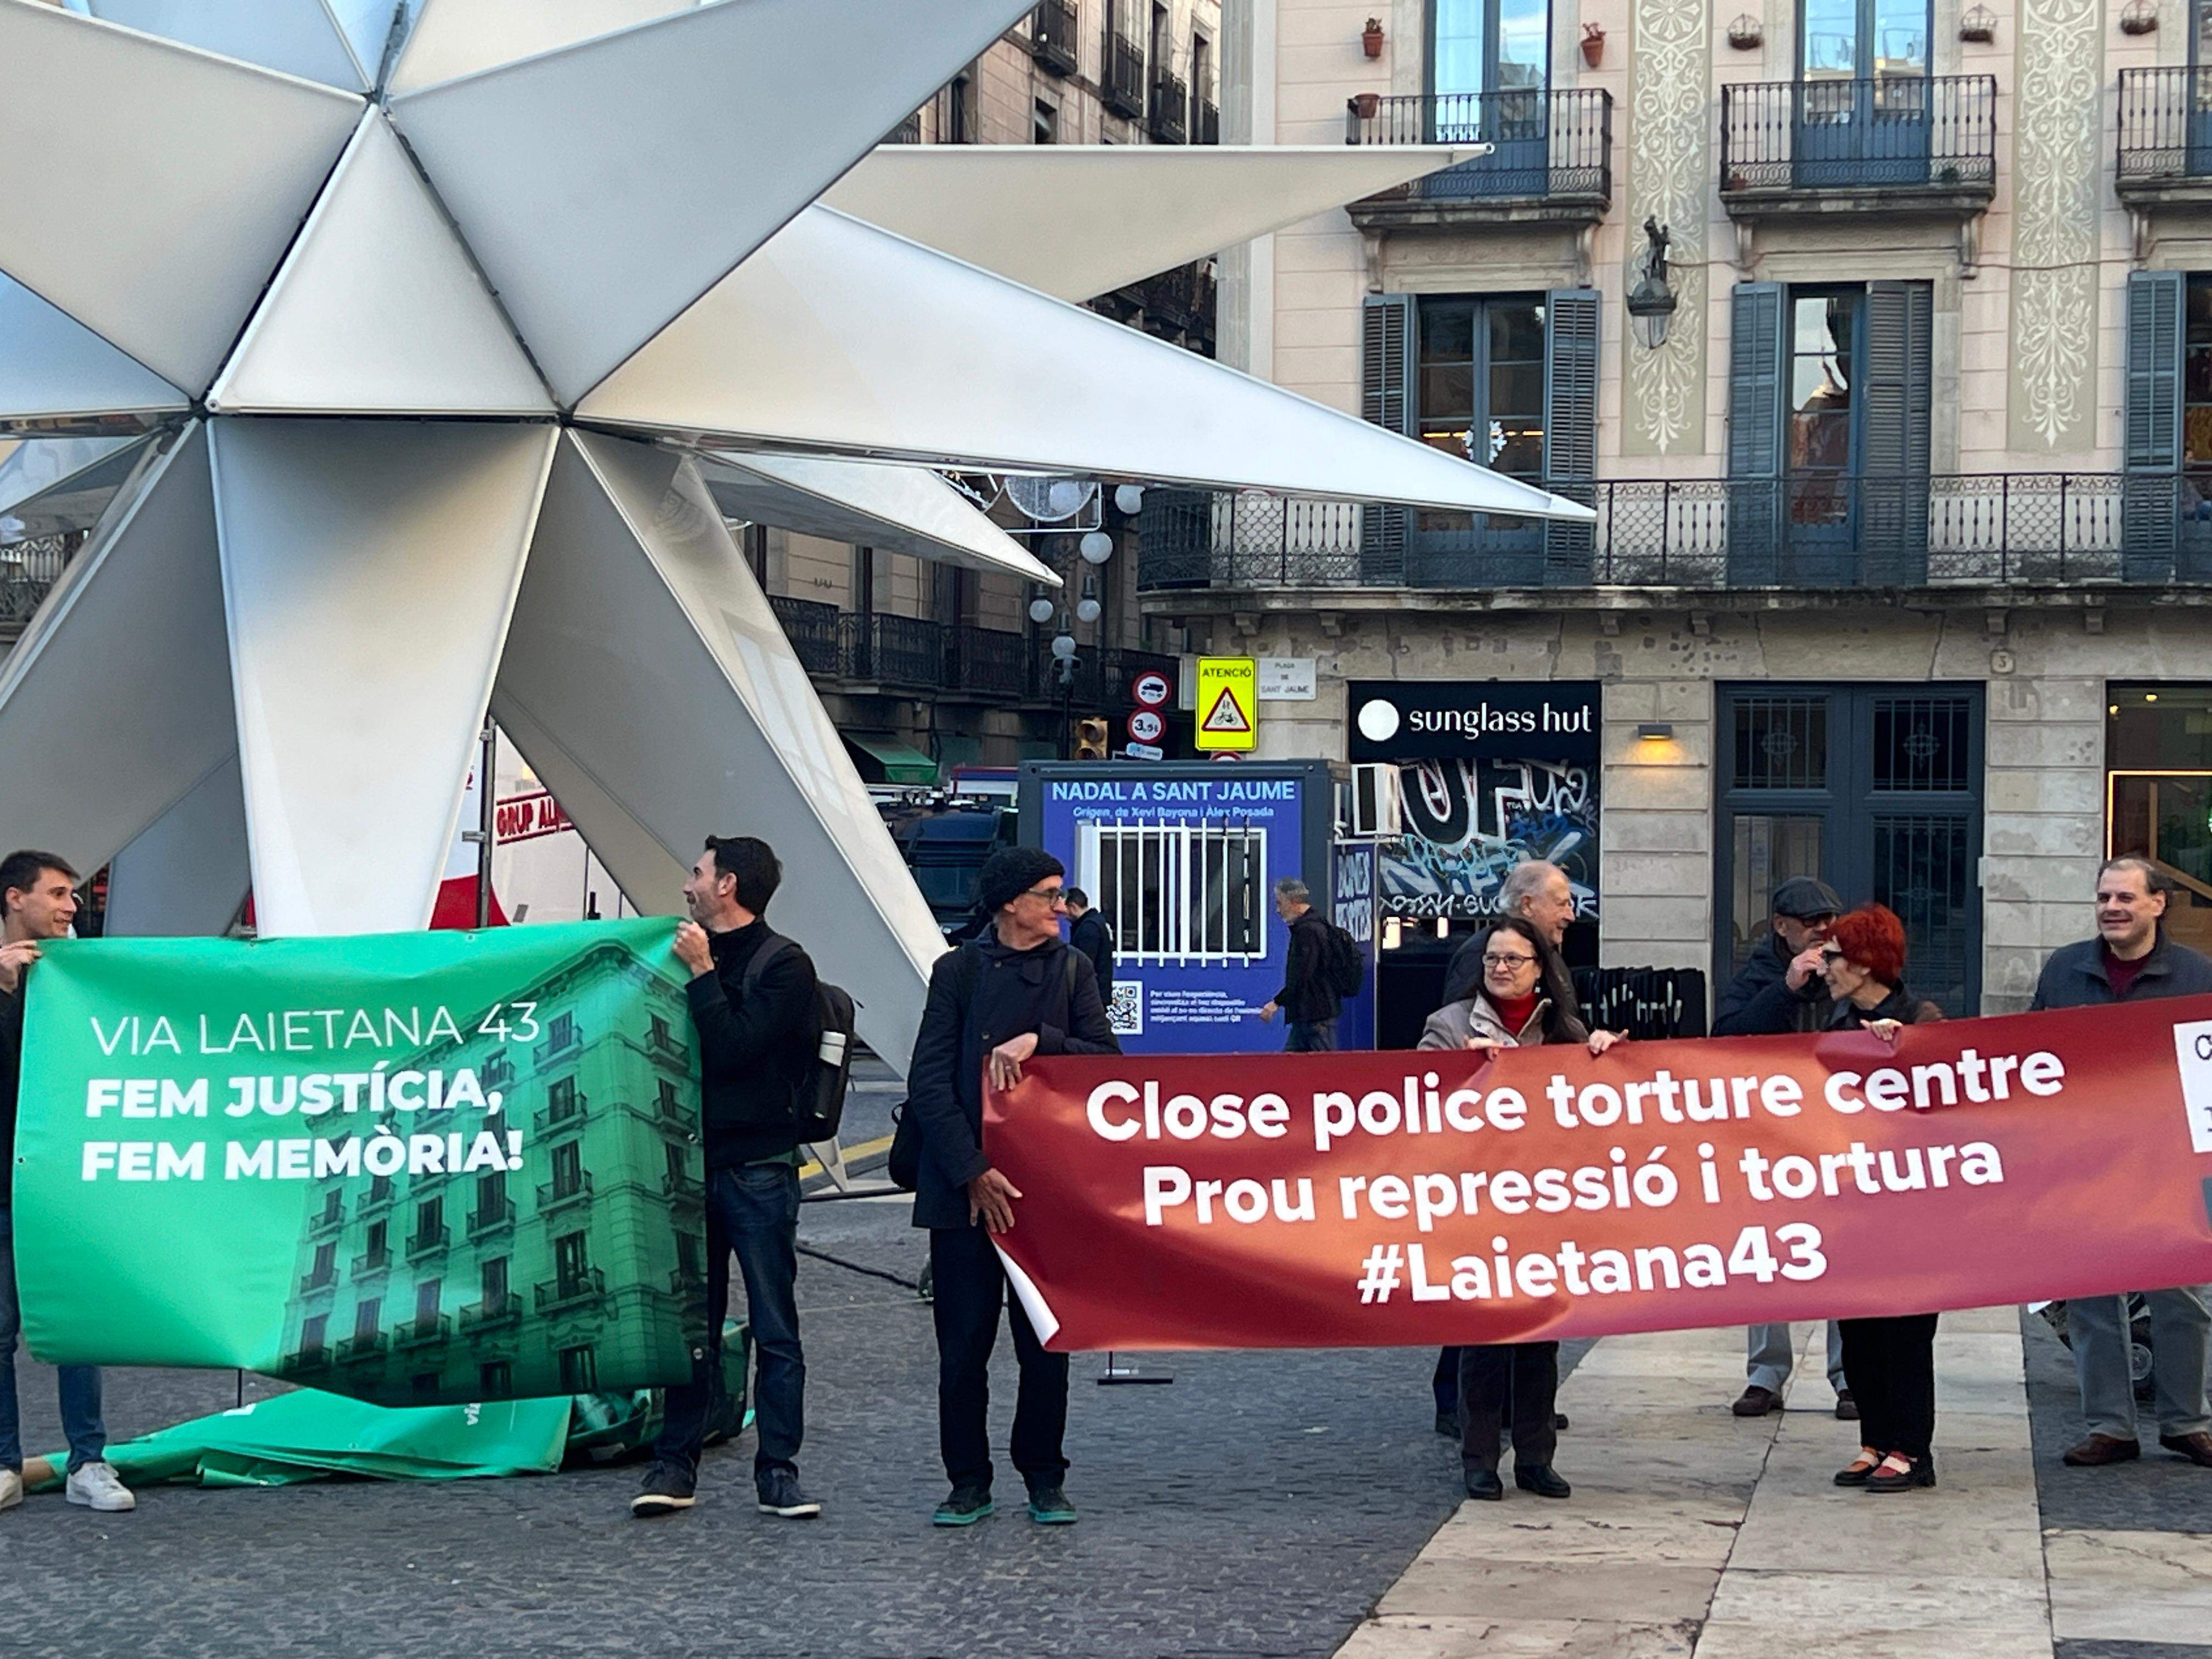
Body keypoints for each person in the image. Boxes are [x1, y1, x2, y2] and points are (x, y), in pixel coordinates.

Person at [907, 847, 1120, 1527]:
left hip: (1042, 1191)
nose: (1061, 906)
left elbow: (1107, 1061)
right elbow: (929, 1081)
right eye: (1049, 895)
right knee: (963, 1348)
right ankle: (966, 1481)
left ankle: (1044, 1476)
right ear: (1009, 904)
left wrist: (1041, 1040)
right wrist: (971, 1170)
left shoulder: (1073, 967)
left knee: (1045, 1345)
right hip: (964, 1186)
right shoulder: (958, 971)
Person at [634, 837, 823, 1521]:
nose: (688, 884)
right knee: (690, 1325)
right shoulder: (682, 955)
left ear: (729, 885)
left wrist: (704, 974)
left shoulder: (785, 966)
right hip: (687, 1165)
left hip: (758, 1169)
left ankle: (778, 1471)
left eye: (698, 872)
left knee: (776, 1326)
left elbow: (739, 1048)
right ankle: (674, 1463)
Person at [1420, 916, 1622, 1503]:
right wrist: (1461, 1072)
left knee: (1540, 1338)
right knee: (1483, 1337)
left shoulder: (1564, 1030)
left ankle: (1536, 1458)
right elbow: (1419, 1104)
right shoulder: (1448, 1025)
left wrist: (1602, 1058)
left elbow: (1591, 1108)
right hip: (1480, 1202)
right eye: (1492, 960)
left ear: (1540, 969)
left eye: (1513, 959)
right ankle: (1479, 1458)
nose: (1500, 969)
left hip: (1546, 1203)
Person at [2030, 856, 2212, 1471]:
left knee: (2182, 1296)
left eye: (2126, 898)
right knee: (2091, 1297)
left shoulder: (2197, 976)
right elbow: (2027, 1056)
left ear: (2158, 904)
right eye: (2104, 897)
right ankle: (2111, 1426)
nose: (2112, 908)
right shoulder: (2063, 970)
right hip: (2086, 1159)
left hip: (2169, 1162)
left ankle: (2187, 1422)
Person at [1433, 860, 1588, 1435]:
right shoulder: (1483, 956)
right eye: (1562, 901)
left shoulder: (1551, 966)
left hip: (1535, 1176)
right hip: (1483, 1174)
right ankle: (1461, 1406)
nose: (1571, 912)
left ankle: (1526, 1411)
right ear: (1527, 905)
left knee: (1531, 1304)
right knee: (1477, 1301)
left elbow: (1569, 1040)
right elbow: (1447, 1048)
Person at [0, 850, 132, 1516]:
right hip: (3, 1186)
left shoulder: (74, 974)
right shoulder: (12, 979)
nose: (71, 905)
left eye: (75, 895)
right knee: (0, 1329)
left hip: (64, 1185)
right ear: (14, 898)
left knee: (78, 1329)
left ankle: (90, 1461)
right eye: (57, 893)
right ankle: (3, 1465)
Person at [1712, 876, 1854, 1423]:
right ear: (1781, 927)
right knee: (1768, 1253)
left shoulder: (1851, 968)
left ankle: (1850, 1377)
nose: (1822, 929)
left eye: (1828, 920)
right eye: (1810, 921)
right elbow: (1726, 1036)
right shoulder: (1759, 977)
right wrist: (1787, 989)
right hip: (1770, 1141)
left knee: (1844, 1254)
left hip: (1837, 1135)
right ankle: (1765, 1375)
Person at [1820, 905, 1942, 1494]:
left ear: (1867, 963)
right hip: (1851, 1205)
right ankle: (1875, 1441)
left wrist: (1907, 1052)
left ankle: (1913, 1450)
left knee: (1906, 1334)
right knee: (1860, 1329)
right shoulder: (1832, 1017)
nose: (1825, 965)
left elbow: (1947, 1100)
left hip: (1912, 1212)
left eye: (1835, 955)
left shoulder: (1921, 1017)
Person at [1440, 860, 1581, 1008]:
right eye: (1561, 904)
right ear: (1527, 905)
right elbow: (1458, 1023)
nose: (1570, 916)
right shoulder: (1478, 952)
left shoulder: (1548, 953)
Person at [1256, 878, 1340, 1052]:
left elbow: (1302, 973)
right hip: (1313, 1015)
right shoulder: (1318, 926)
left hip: (1315, 1015)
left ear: (1293, 902)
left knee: (1320, 1068)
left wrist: (1277, 1002)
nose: (1278, 910)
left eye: (1280, 903)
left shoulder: (1307, 931)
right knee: (1304, 1068)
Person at [1064, 888, 1115, 1011]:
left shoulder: (1088, 928)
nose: (1064, 916)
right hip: (1095, 994)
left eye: (1065, 910)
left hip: (1090, 997)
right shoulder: (1095, 922)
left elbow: (1083, 965)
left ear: (1073, 907)